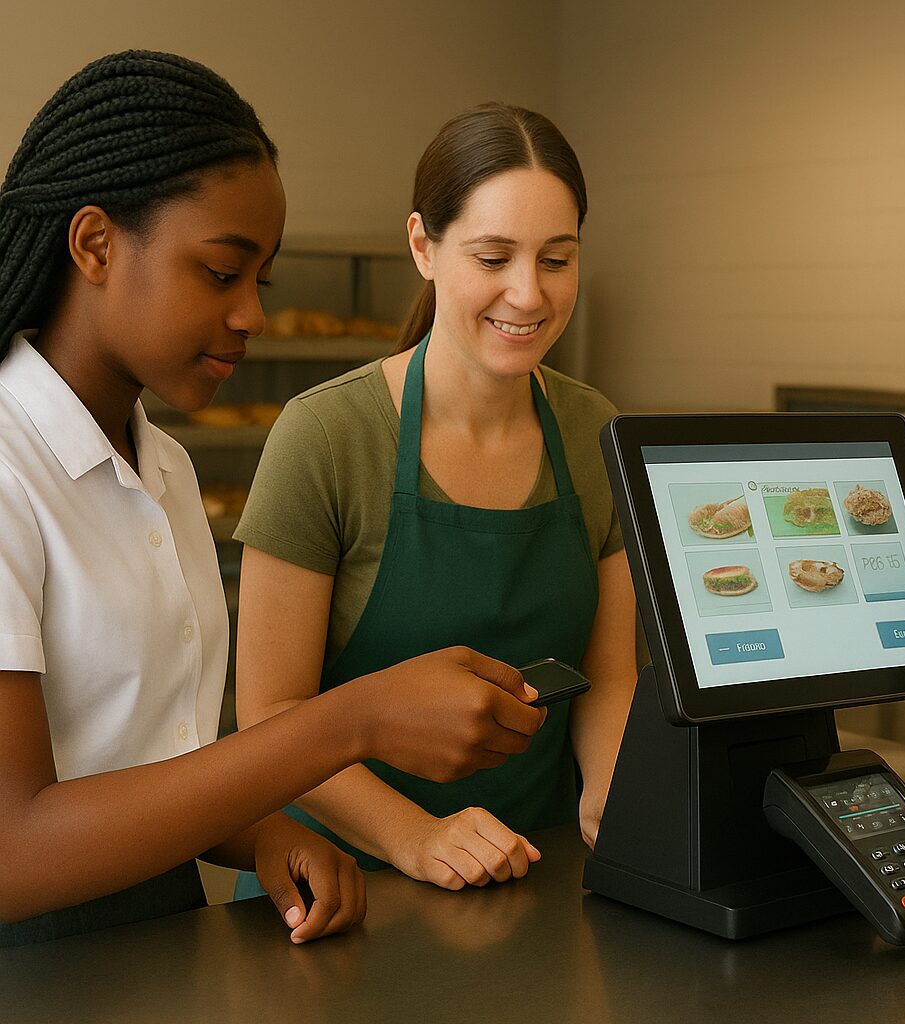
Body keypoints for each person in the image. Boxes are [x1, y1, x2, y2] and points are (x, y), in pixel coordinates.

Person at [0, 52, 549, 946]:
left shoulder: (164, 468)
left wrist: (261, 831)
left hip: (154, 950)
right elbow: (12, 853)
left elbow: (145, 766)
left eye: (264, 279)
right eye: (222, 273)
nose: (253, 312)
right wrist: (352, 719)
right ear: (96, 245)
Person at [233, 103, 636, 892]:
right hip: (335, 886)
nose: (528, 294)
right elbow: (269, 716)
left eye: (557, 260)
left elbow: (610, 673)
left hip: (538, 875)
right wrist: (416, 837)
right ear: (423, 245)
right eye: (493, 258)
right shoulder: (325, 436)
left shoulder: (596, 430)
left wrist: (614, 790)